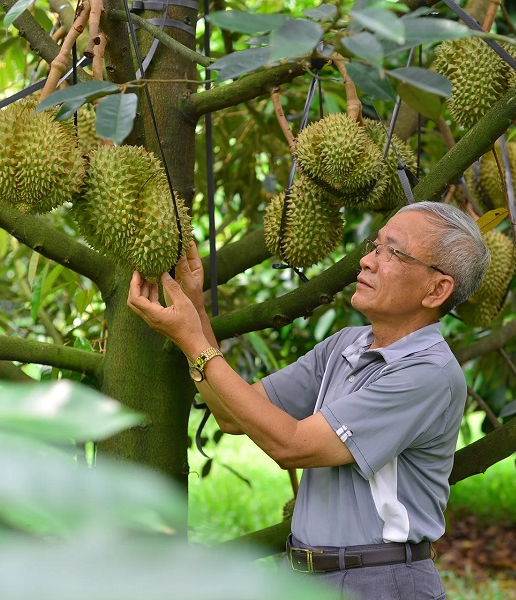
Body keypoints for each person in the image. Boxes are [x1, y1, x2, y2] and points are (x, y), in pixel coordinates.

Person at [127, 201, 491, 599]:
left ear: (437, 289)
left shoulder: (427, 374)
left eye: (393, 252)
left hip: (379, 582)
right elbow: (233, 414)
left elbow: (292, 445)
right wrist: (194, 307)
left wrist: (192, 340)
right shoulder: (346, 345)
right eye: (375, 245)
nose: (367, 260)